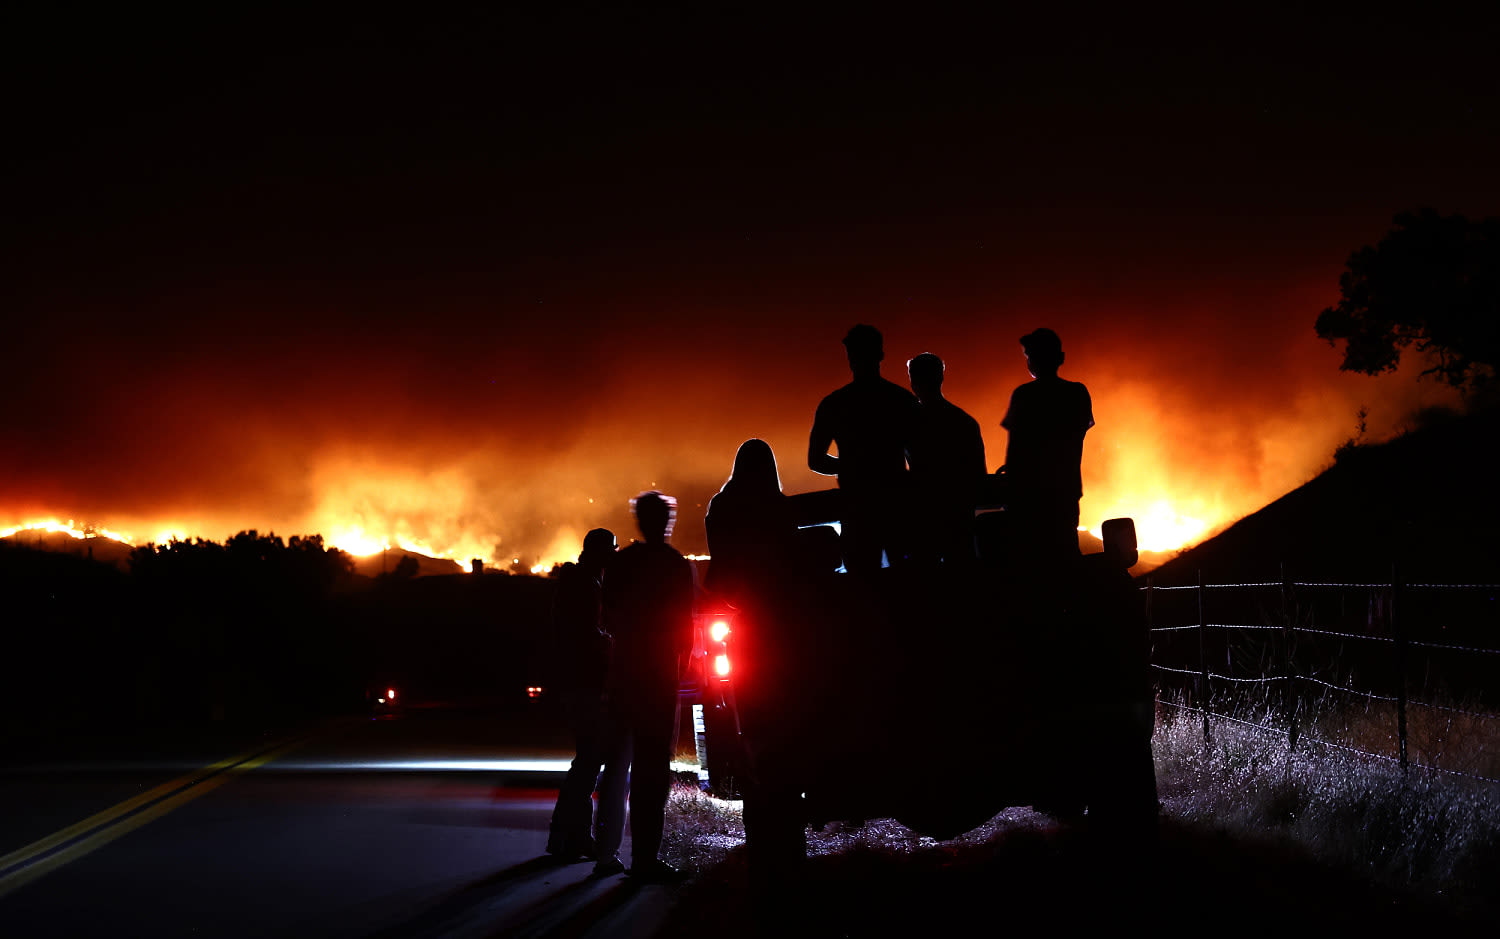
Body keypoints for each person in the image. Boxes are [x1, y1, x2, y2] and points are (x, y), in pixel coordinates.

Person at [704, 440, 807, 891]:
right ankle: (788, 842)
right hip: (783, 634)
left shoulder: (721, 509)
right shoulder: (779, 509)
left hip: (746, 632)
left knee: (753, 738)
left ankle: (761, 842)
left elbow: (717, 578)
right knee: (788, 733)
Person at [592, 491, 695, 883]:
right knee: (653, 769)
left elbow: (608, 618)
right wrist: (677, 667)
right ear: (666, 520)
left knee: (617, 764)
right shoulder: (673, 565)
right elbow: (684, 627)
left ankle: (607, 853)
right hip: (658, 677)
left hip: (625, 674)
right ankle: (645, 860)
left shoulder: (621, 564)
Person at [807, 324, 918, 574]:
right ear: (880, 355)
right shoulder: (901, 401)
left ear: (849, 356)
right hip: (898, 508)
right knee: (909, 582)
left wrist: (850, 468)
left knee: (862, 583)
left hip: (856, 509)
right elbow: (921, 458)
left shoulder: (834, 404)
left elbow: (816, 460)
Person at [543, 528, 618, 862]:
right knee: (588, 760)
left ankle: (570, 837)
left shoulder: (581, 581)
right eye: (611, 551)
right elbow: (587, 635)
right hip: (584, 682)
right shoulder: (585, 585)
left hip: (577, 681)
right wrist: (613, 644)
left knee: (587, 760)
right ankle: (569, 838)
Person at [999, 328, 1094, 569]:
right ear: (1060, 358)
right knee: (1065, 559)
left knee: (1032, 565)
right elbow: (1077, 434)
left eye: (1029, 355)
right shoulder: (1077, 393)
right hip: (1065, 493)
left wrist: (1010, 490)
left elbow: (1016, 449)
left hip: (1029, 500)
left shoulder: (1024, 395)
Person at [905, 352, 987, 567]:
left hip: (922, 516)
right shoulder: (964, 422)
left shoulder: (908, 424)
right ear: (941, 377)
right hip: (958, 514)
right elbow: (979, 474)